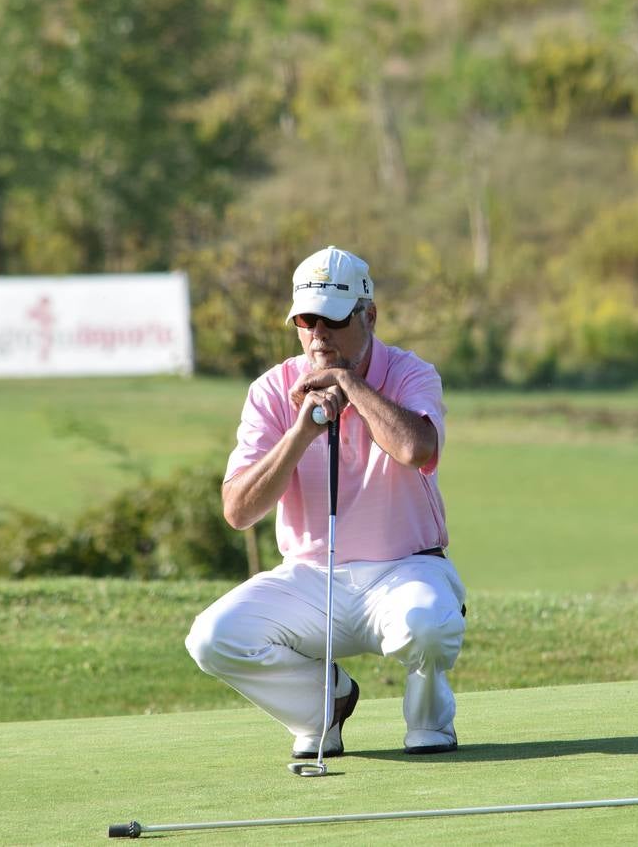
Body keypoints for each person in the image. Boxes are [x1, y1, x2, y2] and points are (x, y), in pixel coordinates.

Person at [185, 245, 466, 759]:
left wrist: (349, 384)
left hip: (405, 571)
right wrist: (300, 433)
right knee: (212, 638)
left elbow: (415, 448)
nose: (318, 334)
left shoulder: (411, 373)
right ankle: (324, 705)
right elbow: (238, 510)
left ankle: (430, 719)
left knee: (426, 626)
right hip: (311, 579)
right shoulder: (271, 390)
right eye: (306, 320)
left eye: (333, 320)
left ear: (370, 316)